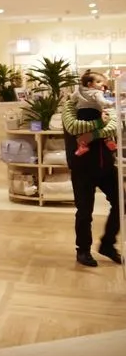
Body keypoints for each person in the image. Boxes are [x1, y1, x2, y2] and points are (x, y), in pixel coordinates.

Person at [62, 93, 121, 268]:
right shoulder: (71, 108)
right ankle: (83, 250)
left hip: (107, 167)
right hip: (83, 168)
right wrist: (100, 123)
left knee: (122, 203)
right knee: (84, 211)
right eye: (97, 83)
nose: (101, 89)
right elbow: (74, 128)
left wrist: (92, 134)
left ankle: (107, 244)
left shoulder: (106, 107)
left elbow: (116, 126)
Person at [71, 71, 116, 156]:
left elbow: (72, 99)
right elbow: (102, 102)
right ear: (89, 84)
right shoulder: (97, 92)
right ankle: (108, 140)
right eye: (98, 82)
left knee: (82, 130)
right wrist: (112, 103)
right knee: (101, 126)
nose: (102, 84)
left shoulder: (79, 91)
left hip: (81, 113)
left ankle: (82, 146)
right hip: (94, 112)